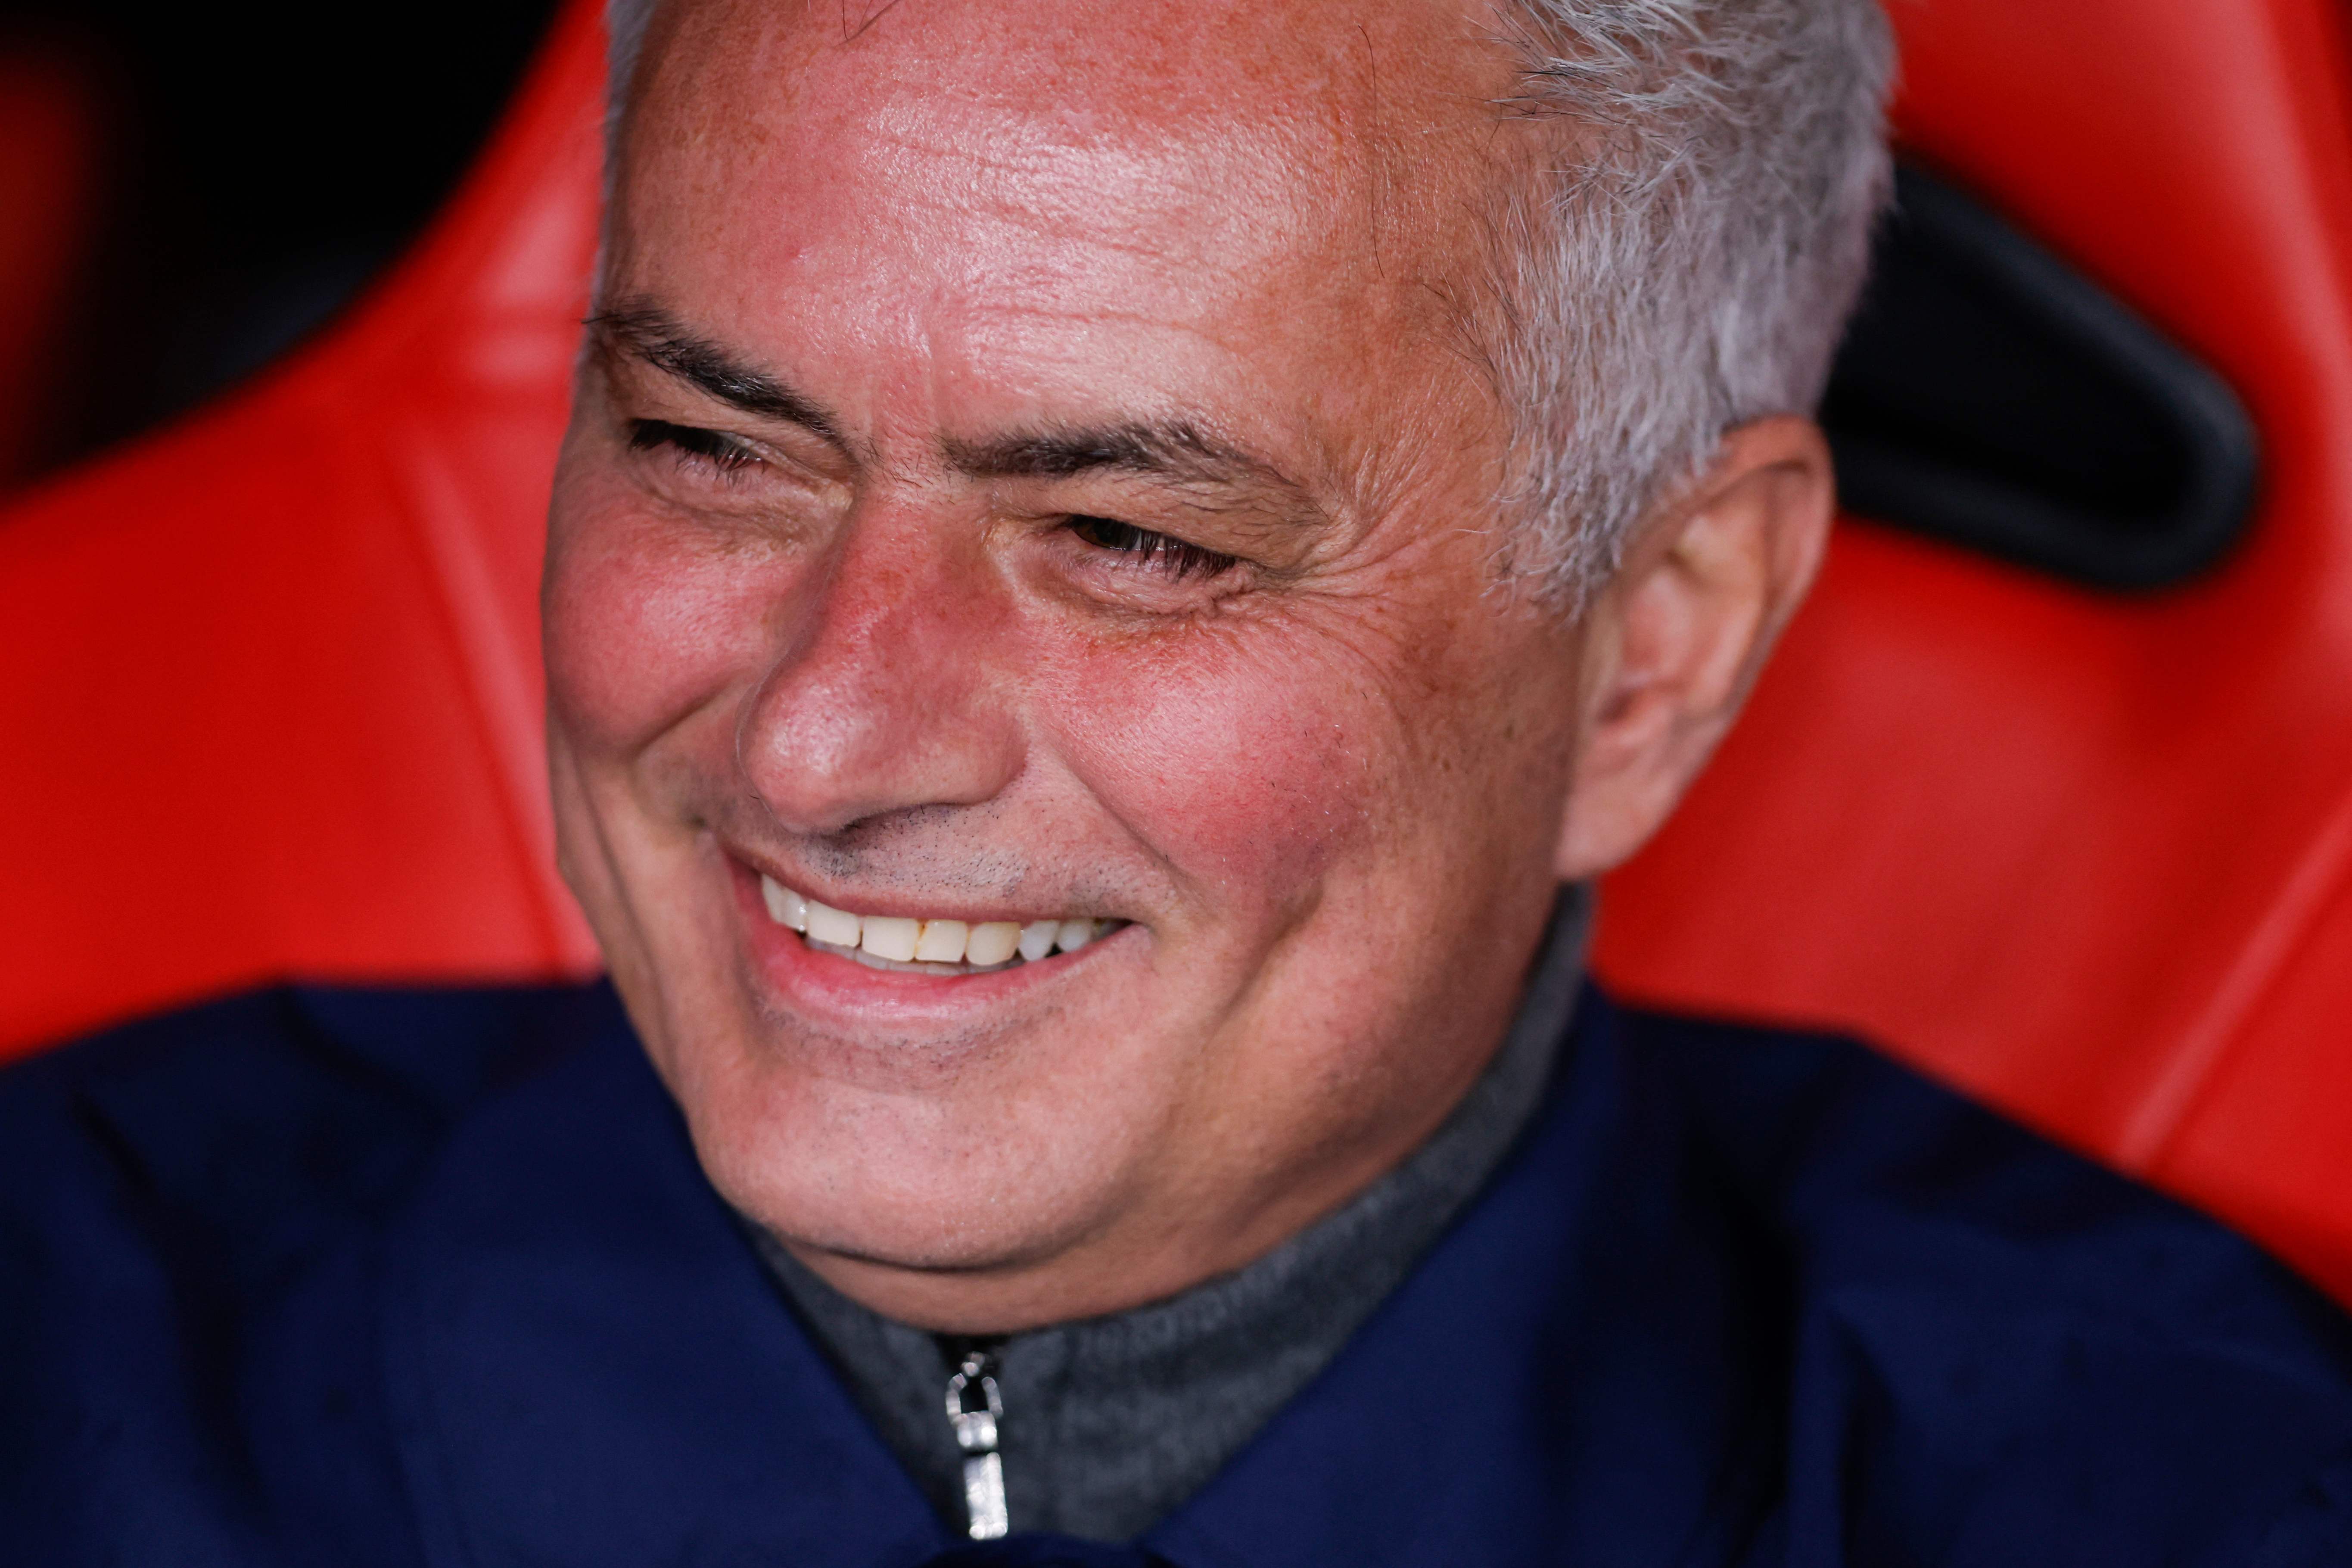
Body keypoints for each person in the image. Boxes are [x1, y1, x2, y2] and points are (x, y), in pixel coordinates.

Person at [6, 0, 2351, 1562]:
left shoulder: (2197, 1482)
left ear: (1658, 639)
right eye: (715, 449)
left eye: (1128, 537)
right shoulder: (53, 1328)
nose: (815, 740)